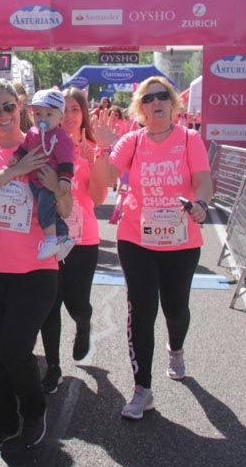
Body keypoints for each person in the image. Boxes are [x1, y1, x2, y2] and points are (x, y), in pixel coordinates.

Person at [0, 78, 70, 452]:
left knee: (15, 349)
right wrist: (10, 172)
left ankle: (35, 410)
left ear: (20, 106)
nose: (3, 115)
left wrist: (55, 184)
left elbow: (67, 210)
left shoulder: (45, 146)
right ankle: (3, 420)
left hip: (34, 271)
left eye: (8, 107)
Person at [91, 76, 212, 420]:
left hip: (181, 240)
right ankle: (142, 388)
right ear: (140, 108)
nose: (155, 103)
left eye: (162, 97)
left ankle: (176, 348)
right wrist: (101, 147)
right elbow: (102, 179)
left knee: (174, 309)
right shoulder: (132, 141)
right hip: (136, 238)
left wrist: (200, 201)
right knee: (141, 310)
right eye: (148, 99)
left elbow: (203, 179)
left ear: (173, 104)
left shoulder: (189, 140)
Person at [39, 88, 107, 393]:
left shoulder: (92, 147)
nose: (67, 116)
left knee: (76, 303)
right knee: (48, 304)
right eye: (62, 109)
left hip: (83, 239)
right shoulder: (42, 143)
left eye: (74, 110)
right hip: (48, 238)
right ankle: (52, 367)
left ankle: (83, 323)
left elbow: (98, 196)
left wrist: (94, 162)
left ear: (83, 115)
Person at [13, 89, 75, 261]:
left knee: (44, 211)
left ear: (60, 117)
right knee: (48, 211)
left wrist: (64, 179)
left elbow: (66, 160)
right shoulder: (33, 132)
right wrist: (16, 158)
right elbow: (24, 148)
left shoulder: (60, 137)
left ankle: (50, 239)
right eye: (38, 113)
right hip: (35, 180)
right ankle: (63, 236)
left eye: (49, 114)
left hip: (48, 181)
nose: (43, 118)